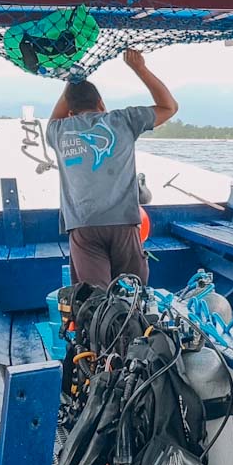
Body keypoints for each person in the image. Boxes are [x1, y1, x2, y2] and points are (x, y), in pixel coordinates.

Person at [47, 49, 178, 287]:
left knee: (94, 300)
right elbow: (169, 107)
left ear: (70, 111)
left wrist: (72, 80)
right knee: (131, 294)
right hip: (124, 224)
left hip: (83, 226)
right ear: (101, 103)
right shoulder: (123, 120)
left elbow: (57, 114)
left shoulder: (58, 131)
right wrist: (140, 68)